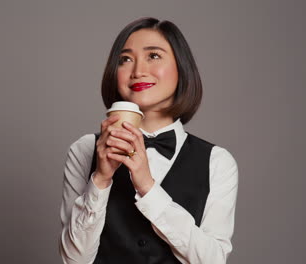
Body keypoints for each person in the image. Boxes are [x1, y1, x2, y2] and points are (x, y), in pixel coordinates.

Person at [59, 17, 239, 264]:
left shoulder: (217, 161)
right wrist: (100, 180)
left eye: (153, 56)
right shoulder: (85, 149)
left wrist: (147, 186)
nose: (138, 71)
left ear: (181, 68)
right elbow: (73, 260)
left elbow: (212, 260)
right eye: (125, 59)